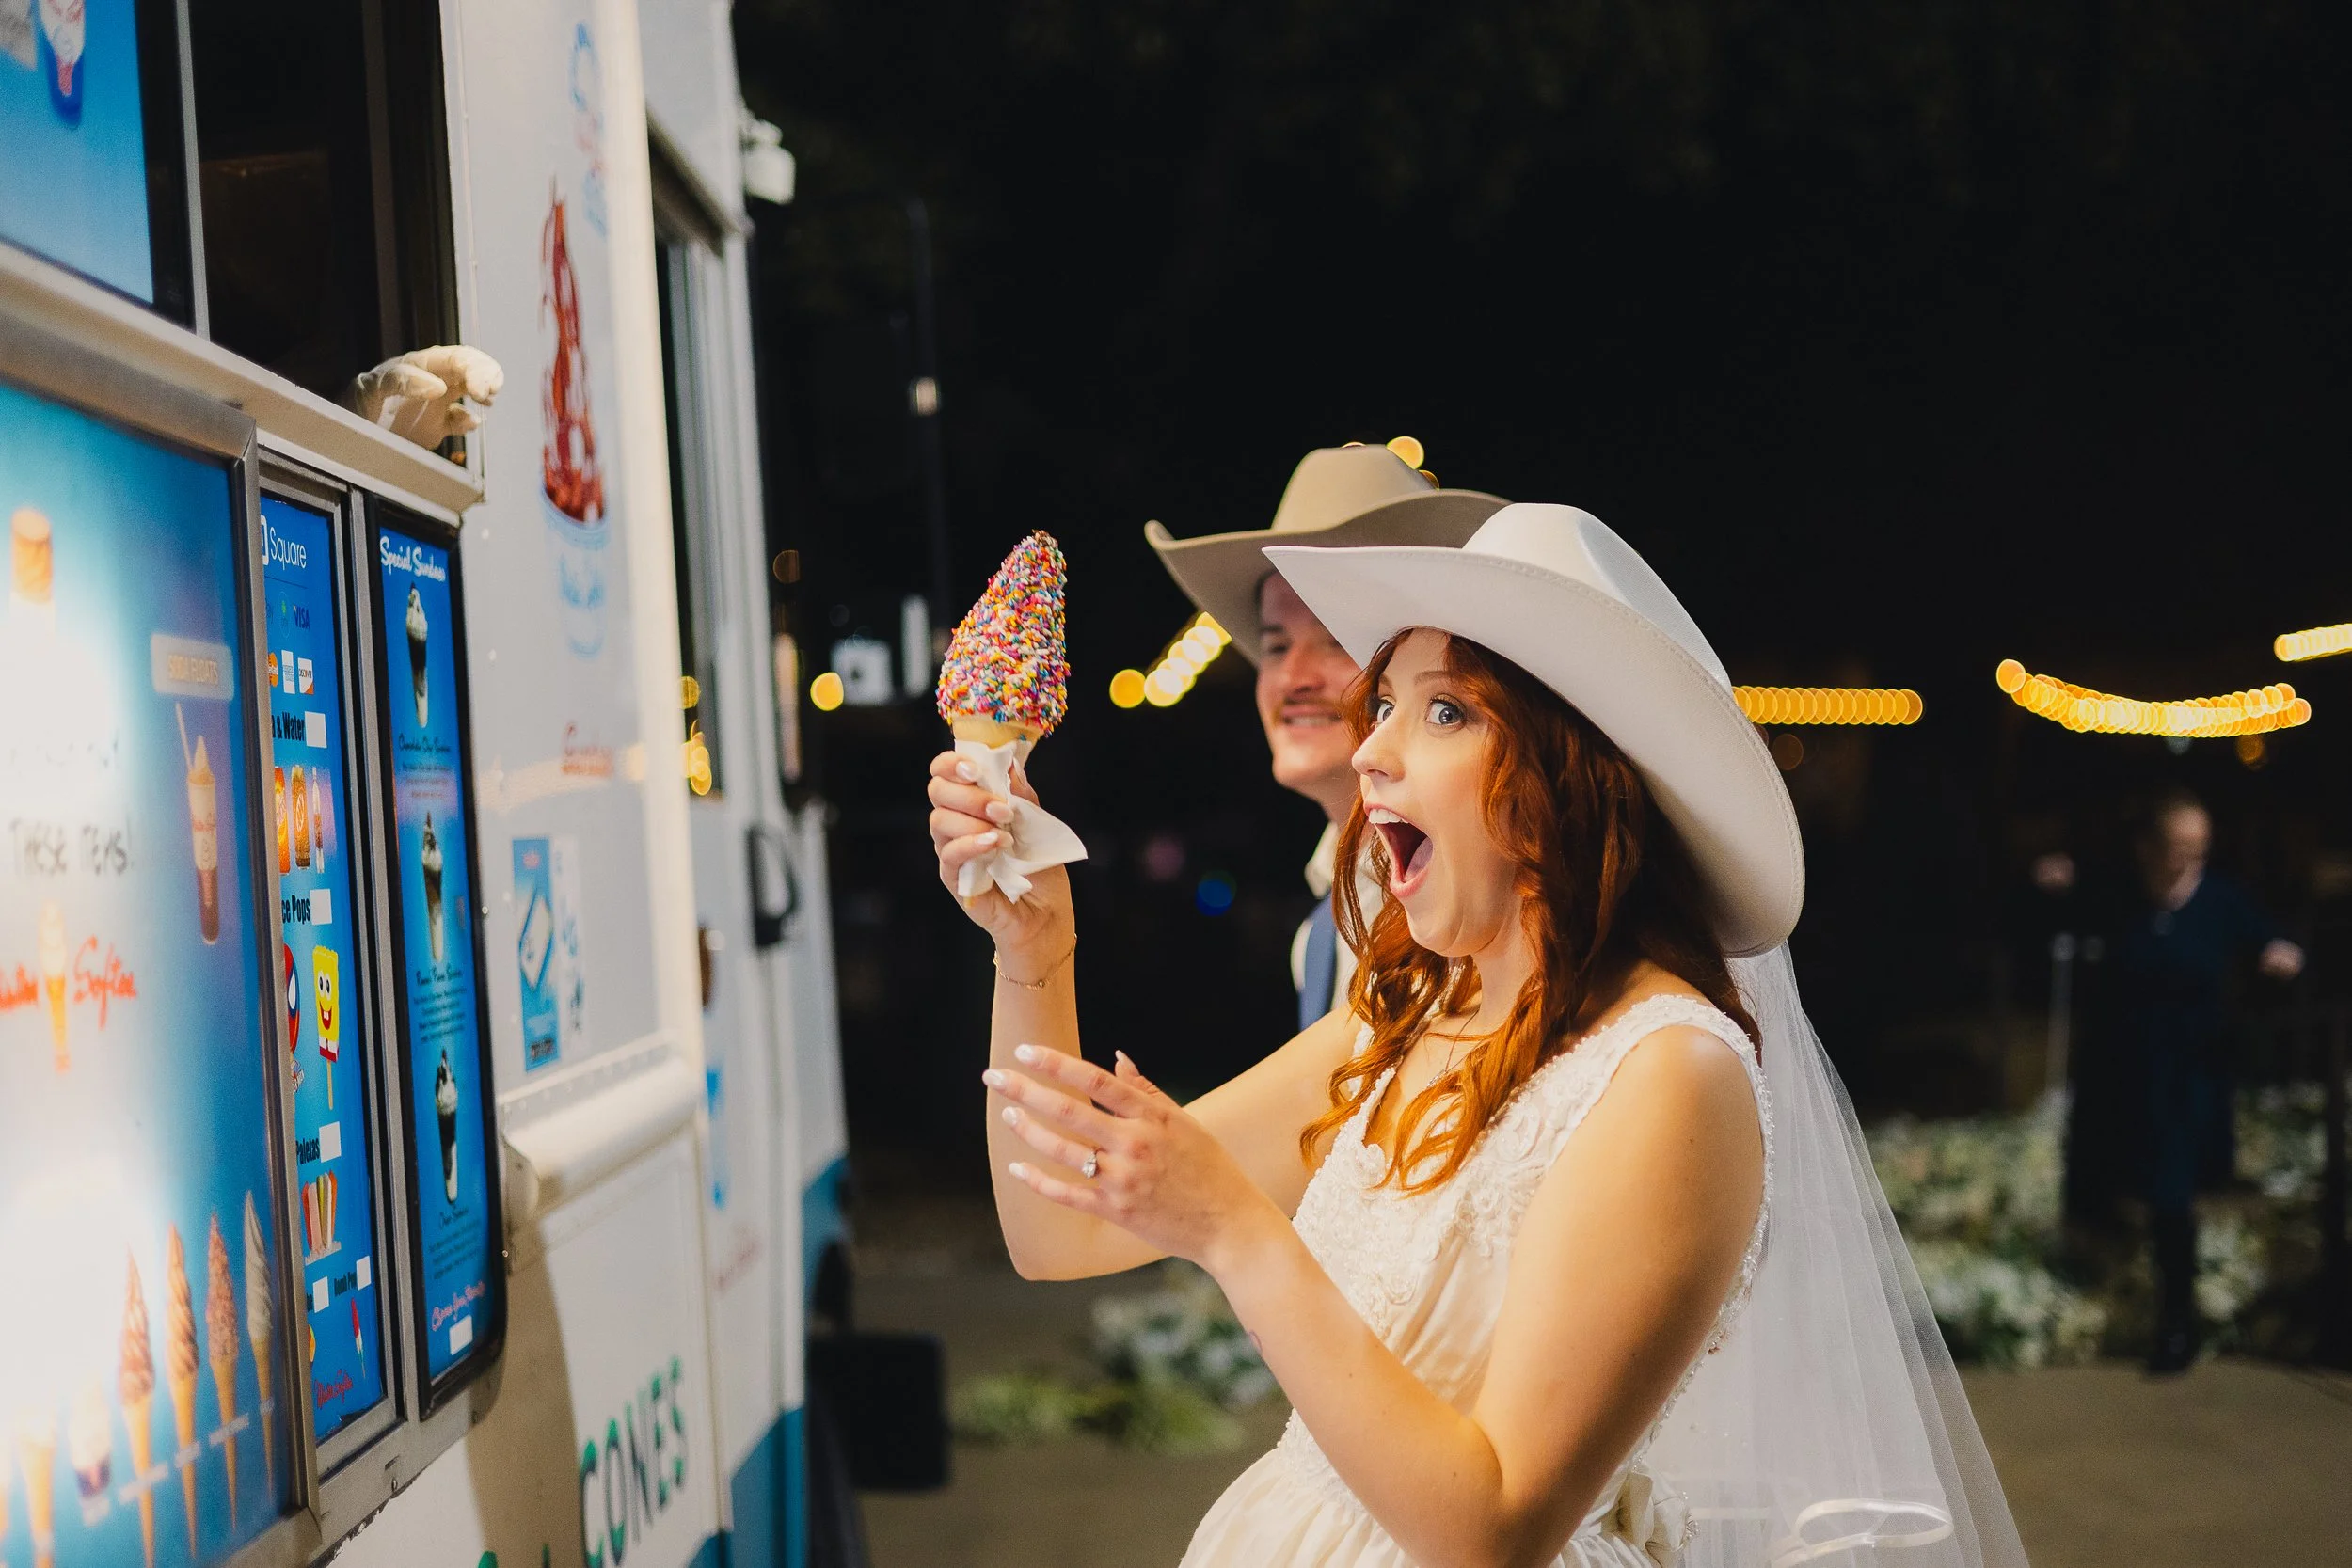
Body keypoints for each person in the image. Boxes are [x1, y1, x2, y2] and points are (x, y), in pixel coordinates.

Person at [930, 503, 2026, 1567]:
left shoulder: (1670, 1072)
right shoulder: (1403, 1018)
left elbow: (1492, 1532)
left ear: (1570, 764)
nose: (1370, 754)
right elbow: (1053, 1231)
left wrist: (1236, 1231)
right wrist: (1034, 953)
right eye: (1386, 704)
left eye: (1442, 710)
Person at [1147, 441, 1503, 1028]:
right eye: (1276, 645)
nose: (1293, 679)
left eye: (1337, 638)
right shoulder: (1319, 937)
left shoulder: (1485, 912)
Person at [2047, 786, 2304, 1374]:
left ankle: (2176, 1323)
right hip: (2122, 1072)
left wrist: (2278, 952)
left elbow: (2268, 936)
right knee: (2107, 1187)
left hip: (2187, 1077)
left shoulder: (2218, 899)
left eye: (2199, 847)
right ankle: (2106, 1302)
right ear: (2147, 847)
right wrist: (2050, 882)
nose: (2188, 858)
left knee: (2171, 1194)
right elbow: (2067, 907)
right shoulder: (2121, 896)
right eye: (2177, 846)